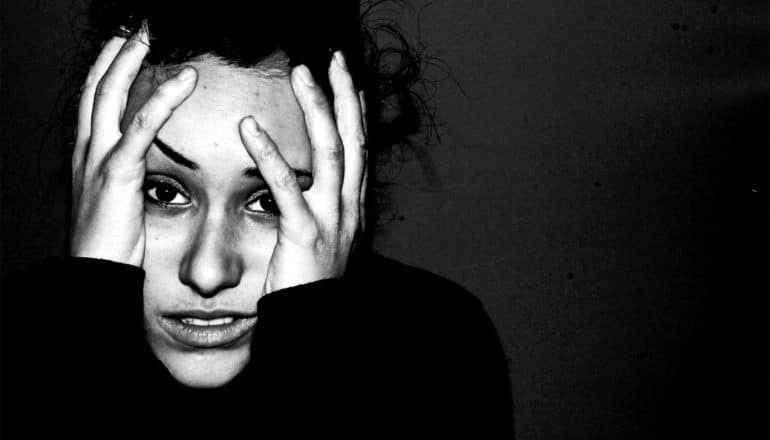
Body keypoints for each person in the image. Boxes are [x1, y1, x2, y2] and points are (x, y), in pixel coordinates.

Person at [1, 0, 513, 437]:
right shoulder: (23, 339)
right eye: (163, 192)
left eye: (270, 201)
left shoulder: (437, 351)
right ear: (92, 173)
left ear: (349, 180)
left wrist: (309, 342)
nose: (207, 273)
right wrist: (84, 325)